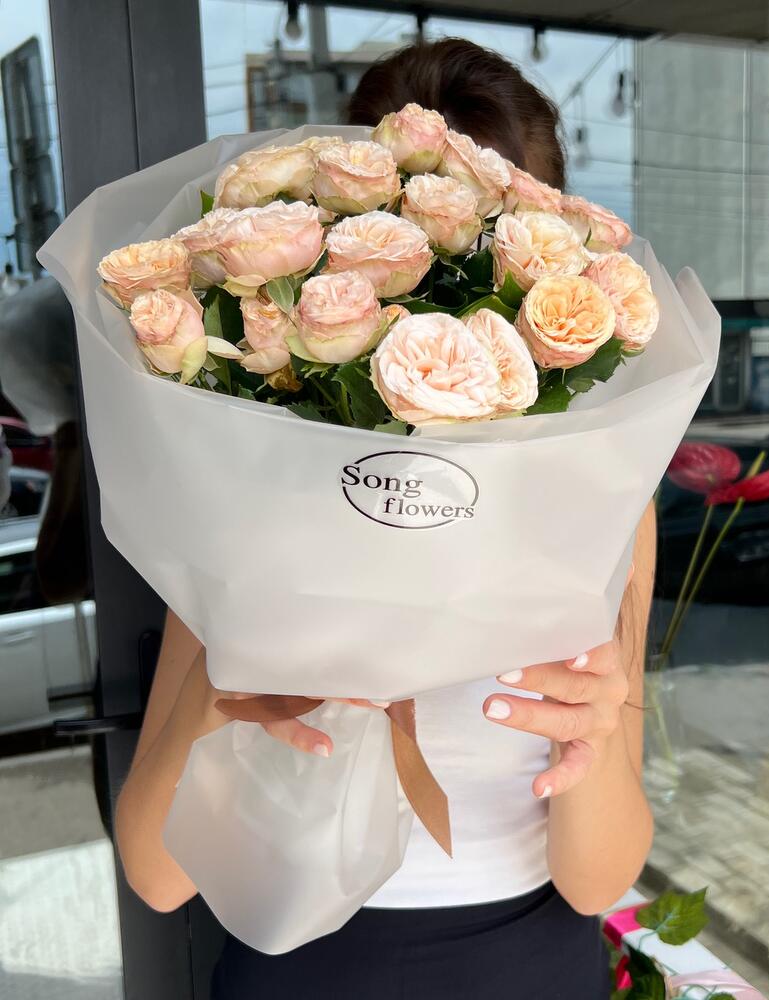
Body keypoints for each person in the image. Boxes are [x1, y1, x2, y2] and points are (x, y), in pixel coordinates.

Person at [113, 38, 656, 1000]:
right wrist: (219, 691)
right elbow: (158, 876)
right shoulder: (254, 481)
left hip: (527, 968)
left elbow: (598, 882)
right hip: (294, 956)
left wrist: (599, 733)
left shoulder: (604, 493)